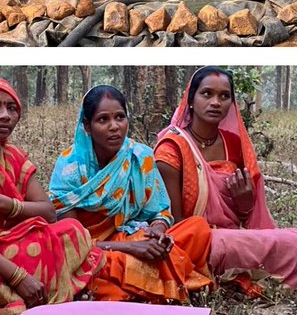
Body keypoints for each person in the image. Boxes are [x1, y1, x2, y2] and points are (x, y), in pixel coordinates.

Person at [154, 67, 297, 292]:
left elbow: (248, 215)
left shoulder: (233, 143)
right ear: (191, 99)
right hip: (199, 242)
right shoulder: (172, 148)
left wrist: (244, 203)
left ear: (232, 103)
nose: (216, 102)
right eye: (207, 94)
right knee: (277, 246)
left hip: (236, 234)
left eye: (224, 96)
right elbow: (176, 224)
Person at [0, 77, 103, 315]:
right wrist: (17, 275)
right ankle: (30, 292)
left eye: (12, 109)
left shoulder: (13, 155)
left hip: (12, 240)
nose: (5, 116)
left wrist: (0, 203)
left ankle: (34, 294)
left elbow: (48, 212)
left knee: (72, 231)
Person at [48, 85, 213, 302]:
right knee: (85, 269)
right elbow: (71, 242)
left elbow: (160, 212)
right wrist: (132, 248)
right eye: (103, 120)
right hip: (96, 251)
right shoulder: (70, 167)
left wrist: (157, 232)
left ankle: (142, 284)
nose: (114, 126)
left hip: (137, 237)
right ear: (87, 126)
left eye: (120, 117)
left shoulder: (139, 156)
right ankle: (164, 281)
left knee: (197, 228)